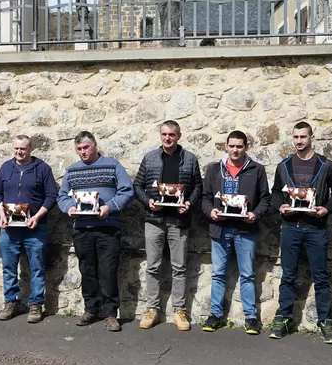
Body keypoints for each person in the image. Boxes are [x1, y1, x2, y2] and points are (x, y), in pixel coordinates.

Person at [268, 122, 332, 342]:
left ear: (312, 137)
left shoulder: (325, 165)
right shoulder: (284, 166)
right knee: (288, 276)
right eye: (296, 137)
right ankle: (283, 318)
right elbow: (275, 193)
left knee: (320, 277)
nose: (299, 140)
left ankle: (326, 321)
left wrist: (326, 209)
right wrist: (279, 206)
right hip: (291, 228)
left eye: (303, 136)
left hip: (316, 229)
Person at [57, 131, 135, 332]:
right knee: (87, 271)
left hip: (107, 228)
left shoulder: (113, 165)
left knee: (108, 271)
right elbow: (62, 196)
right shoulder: (72, 170)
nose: (83, 152)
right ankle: (91, 309)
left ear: (95, 145)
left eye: (86, 147)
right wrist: (69, 208)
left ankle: (110, 314)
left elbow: (127, 190)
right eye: (79, 149)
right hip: (83, 229)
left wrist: (109, 206)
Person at [133, 120, 202, 331]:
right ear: (160, 135)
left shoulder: (189, 159)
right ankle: (152, 309)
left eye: (171, 134)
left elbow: (198, 186)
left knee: (179, 267)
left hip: (179, 221)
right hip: (154, 220)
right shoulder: (150, 158)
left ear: (179, 136)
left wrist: (189, 203)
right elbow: (138, 185)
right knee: (153, 266)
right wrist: (148, 201)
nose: (167, 138)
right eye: (164, 134)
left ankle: (179, 311)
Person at [201, 130, 270, 334]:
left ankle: (251, 318)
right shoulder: (214, 169)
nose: (235, 150)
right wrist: (211, 211)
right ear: (226, 146)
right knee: (218, 274)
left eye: (239, 146)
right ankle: (215, 315)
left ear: (246, 147)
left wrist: (255, 214)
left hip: (245, 229)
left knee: (247, 275)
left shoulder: (257, 170)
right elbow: (205, 197)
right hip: (220, 228)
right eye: (232, 146)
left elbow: (265, 199)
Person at [0, 135, 57, 323]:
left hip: (35, 227)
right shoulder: (6, 167)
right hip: (9, 228)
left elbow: (52, 196)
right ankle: (10, 302)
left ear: (30, 149)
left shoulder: (43, 169)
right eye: (16, 149)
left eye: (23, 149)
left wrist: (37, 217)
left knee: (37, 267)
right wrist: (1, 214)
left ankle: (36, 304)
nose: (19, 152)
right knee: (9, 267)